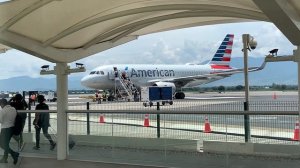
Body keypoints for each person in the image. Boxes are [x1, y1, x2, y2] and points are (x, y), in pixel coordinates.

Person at [0, 99, 19, 164]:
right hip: (12, 128)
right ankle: (4, 159)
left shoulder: (3, 111)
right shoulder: (13, 109)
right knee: (6, 144)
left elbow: (1, 121)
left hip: (5, 129)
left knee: (2, 144)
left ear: (2, 104)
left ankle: (14, 154)